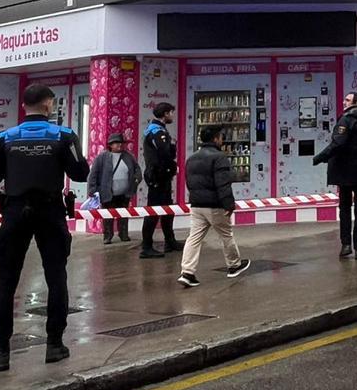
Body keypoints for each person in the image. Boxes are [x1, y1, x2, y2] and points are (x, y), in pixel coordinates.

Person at [0, 84, 89, 373]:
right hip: (50, 211)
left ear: (24, 106)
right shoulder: (63, 136)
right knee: (56, 275)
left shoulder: (5, 138)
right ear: (49, 105)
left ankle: (0, 353)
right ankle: (54, 344)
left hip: (14, 212)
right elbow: (80, 171)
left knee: (6, 280)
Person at [177, 127, 250, 287]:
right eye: (221, 137)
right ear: (216, 138)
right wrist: (228, 204)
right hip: (214, 205)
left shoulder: (191, 158)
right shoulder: (219, 157)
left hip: (196, 205)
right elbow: (223, 184)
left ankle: (187, 272)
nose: (222, 139)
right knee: (226, 234)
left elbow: (189, 182)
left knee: (194, 237)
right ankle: (234, 265)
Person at [313, 92, 357, 259]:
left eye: (347, 100)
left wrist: (320, 157)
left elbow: (338, 143)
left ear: (355, 102)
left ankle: (345, 245)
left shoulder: (346, 119)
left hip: (345, 172)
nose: (344, 102)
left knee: (344, 208)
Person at [140, 102, 181, 259]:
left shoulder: (158, 130)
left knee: (167, 210)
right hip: (158, 175)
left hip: (162, 175)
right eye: (171, 112)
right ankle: (146, 246)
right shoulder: (157, 131)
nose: (172, 116)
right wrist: (173, 166)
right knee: (153, 211)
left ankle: (170, 241)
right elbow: (164, 154)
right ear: (165, 114)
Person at [87, 133, 140, 244]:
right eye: (116, 143)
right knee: (107, 216)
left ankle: (123, 234)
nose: (119, 145)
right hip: (107, 192)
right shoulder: (102, 157)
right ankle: (107, 236)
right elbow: (93, 174)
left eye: (120, 143)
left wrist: (135, 180)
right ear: (110, 145)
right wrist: (92, 191)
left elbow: (137, 170)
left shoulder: (128, 156)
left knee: (123, 215)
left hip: (124, 193)